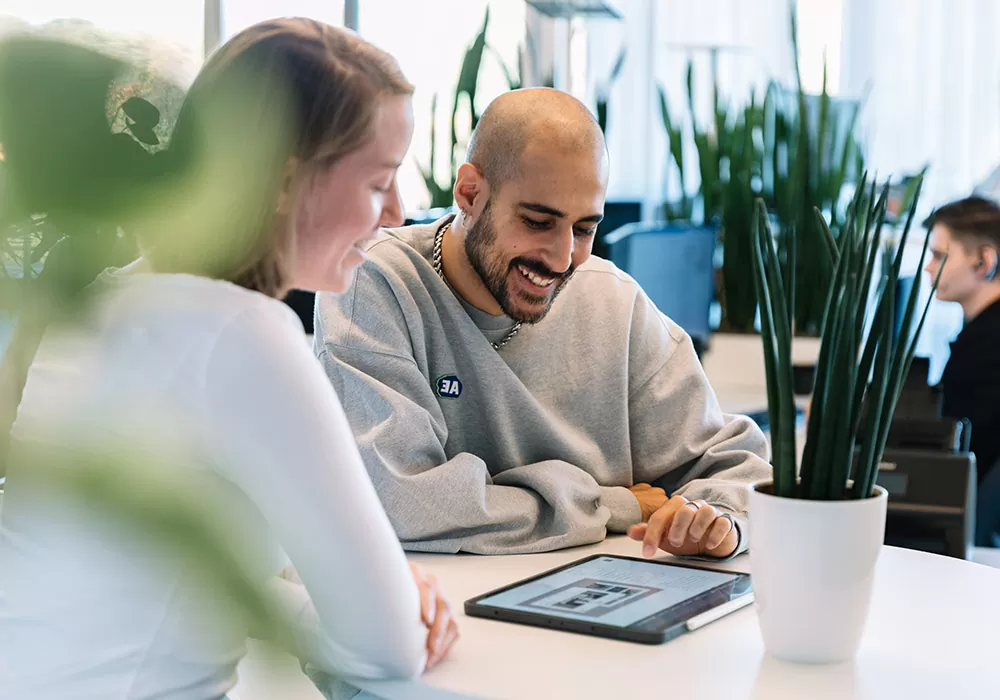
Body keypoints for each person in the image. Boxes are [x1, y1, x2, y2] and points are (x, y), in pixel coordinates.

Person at [0, 20, 457, 700]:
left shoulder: (109, 300)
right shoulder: (244, 331)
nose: (395, 213)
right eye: (378, 182)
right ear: (282, 181)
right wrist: (394, 606)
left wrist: (343, 610)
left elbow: (172, 579)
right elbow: (386, 651)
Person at [315, 88, 771, 559]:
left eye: (585, 229)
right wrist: (611, 505)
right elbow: (399, 502)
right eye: (538, 222)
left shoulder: (614, 303)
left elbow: (743, 470)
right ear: (470, 193)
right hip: (442, 615)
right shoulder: (372, 283)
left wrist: (720, 522)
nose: (562, 257)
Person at [923, 196, 1000, 540]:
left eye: (939, 255)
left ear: (983, 262)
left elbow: (961, 449)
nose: (928, 267)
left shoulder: (986, 348)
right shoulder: (981, 335)